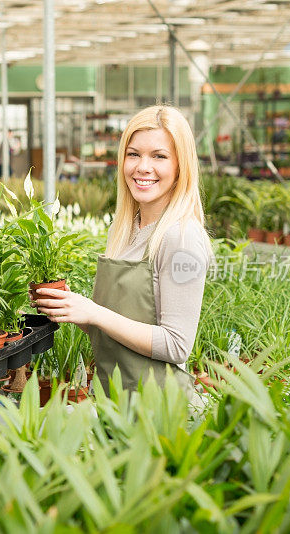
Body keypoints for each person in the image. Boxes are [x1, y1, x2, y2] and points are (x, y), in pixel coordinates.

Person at [33, 105, 212, 398]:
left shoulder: (181, 238)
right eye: (133, 154)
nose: (142, 166)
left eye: (159, 156)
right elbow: (118, 334)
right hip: (114, 404)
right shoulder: (127, 230)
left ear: (181, 167)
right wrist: (74, 310)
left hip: (159, 415)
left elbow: (177, 344)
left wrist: (95, 313)